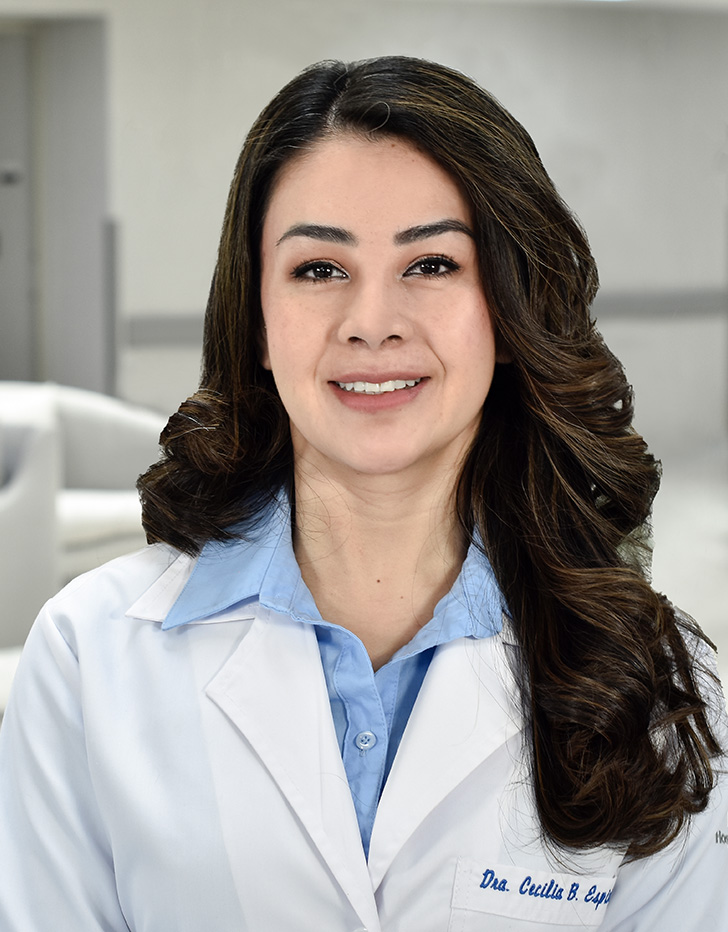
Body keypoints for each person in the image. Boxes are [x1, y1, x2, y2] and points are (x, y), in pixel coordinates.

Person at [0, 56, 726, 931]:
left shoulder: (650, 681)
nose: (372, 320)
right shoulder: (89, 656)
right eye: (318, 269)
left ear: (507, 310)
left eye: (431, 263)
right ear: (257, 321)